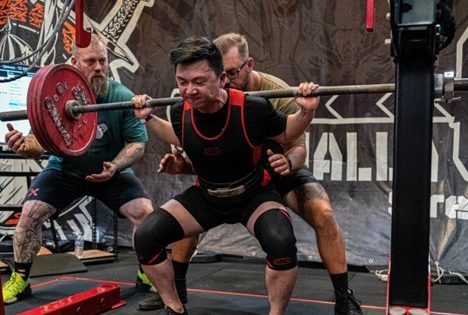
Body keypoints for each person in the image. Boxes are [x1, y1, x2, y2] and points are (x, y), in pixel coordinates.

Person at [140, 32, 363, 315]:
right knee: (154, 232)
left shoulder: (265, 99)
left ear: (241, 69)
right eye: (183, 82)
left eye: (200, 81)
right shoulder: (182, 109)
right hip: (217, 185)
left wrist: (303, 122)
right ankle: (175, 297)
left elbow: (294, 140)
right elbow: (194, 142)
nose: (190, 90)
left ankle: (343, 296)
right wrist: (150, 120)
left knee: (315, 218)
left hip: (274, 171)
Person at [1, 33, 154, 304]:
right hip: (65, 170)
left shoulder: (121, 97)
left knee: (145, 213)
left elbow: (137, 144)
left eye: (102, 61)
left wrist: (115, 166)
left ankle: (146, 272)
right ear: (74, 62)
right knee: (29, 215)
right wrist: (24, 146)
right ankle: (20, 280)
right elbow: (39, 142)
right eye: (91, 61)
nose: (98, 67)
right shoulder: (55, 96)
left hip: (110, 172)